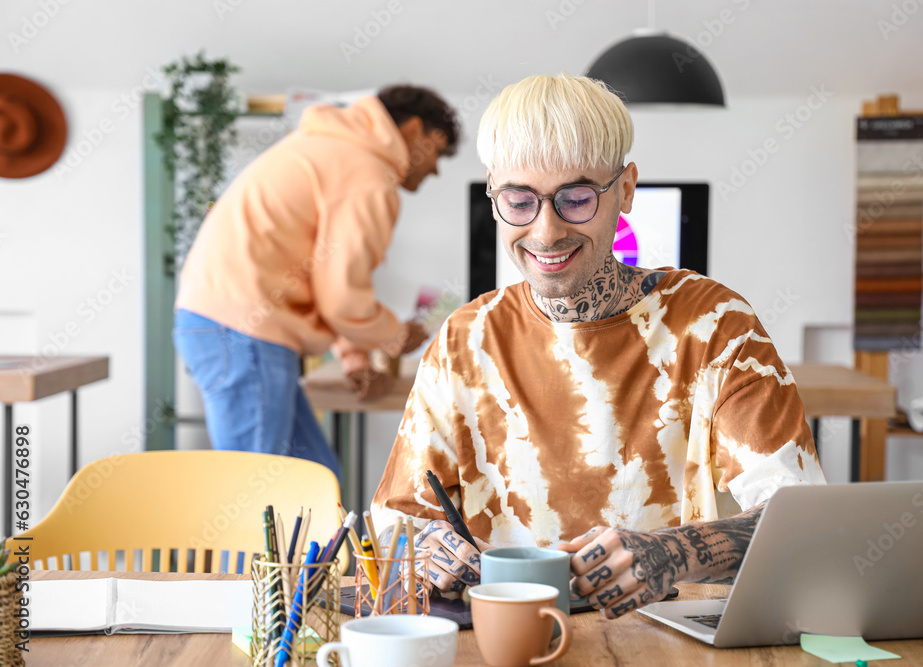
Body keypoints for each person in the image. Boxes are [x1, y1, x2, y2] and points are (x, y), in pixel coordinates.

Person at [370, 74, 826, 618]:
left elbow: (805, 523)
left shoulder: (715, 325)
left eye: (577, 198)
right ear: (494, 194)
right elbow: (396, 526)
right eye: (519, 200)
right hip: (507, 642)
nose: (545, 233)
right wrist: (421, 548)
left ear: (626, 189)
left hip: (669, 641)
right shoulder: (463, 339)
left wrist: (671, 552)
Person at [173, 85, 460, 476]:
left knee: (316, 480)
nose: (436, 168)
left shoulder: (333, 150)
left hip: (234, 326)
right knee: (257, 497)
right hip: (244, 332)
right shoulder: (367, 174)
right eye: (438, 150)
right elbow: (342, 298)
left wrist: (355, 357)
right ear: (412, 129)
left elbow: (324, 280)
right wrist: (393, 334)